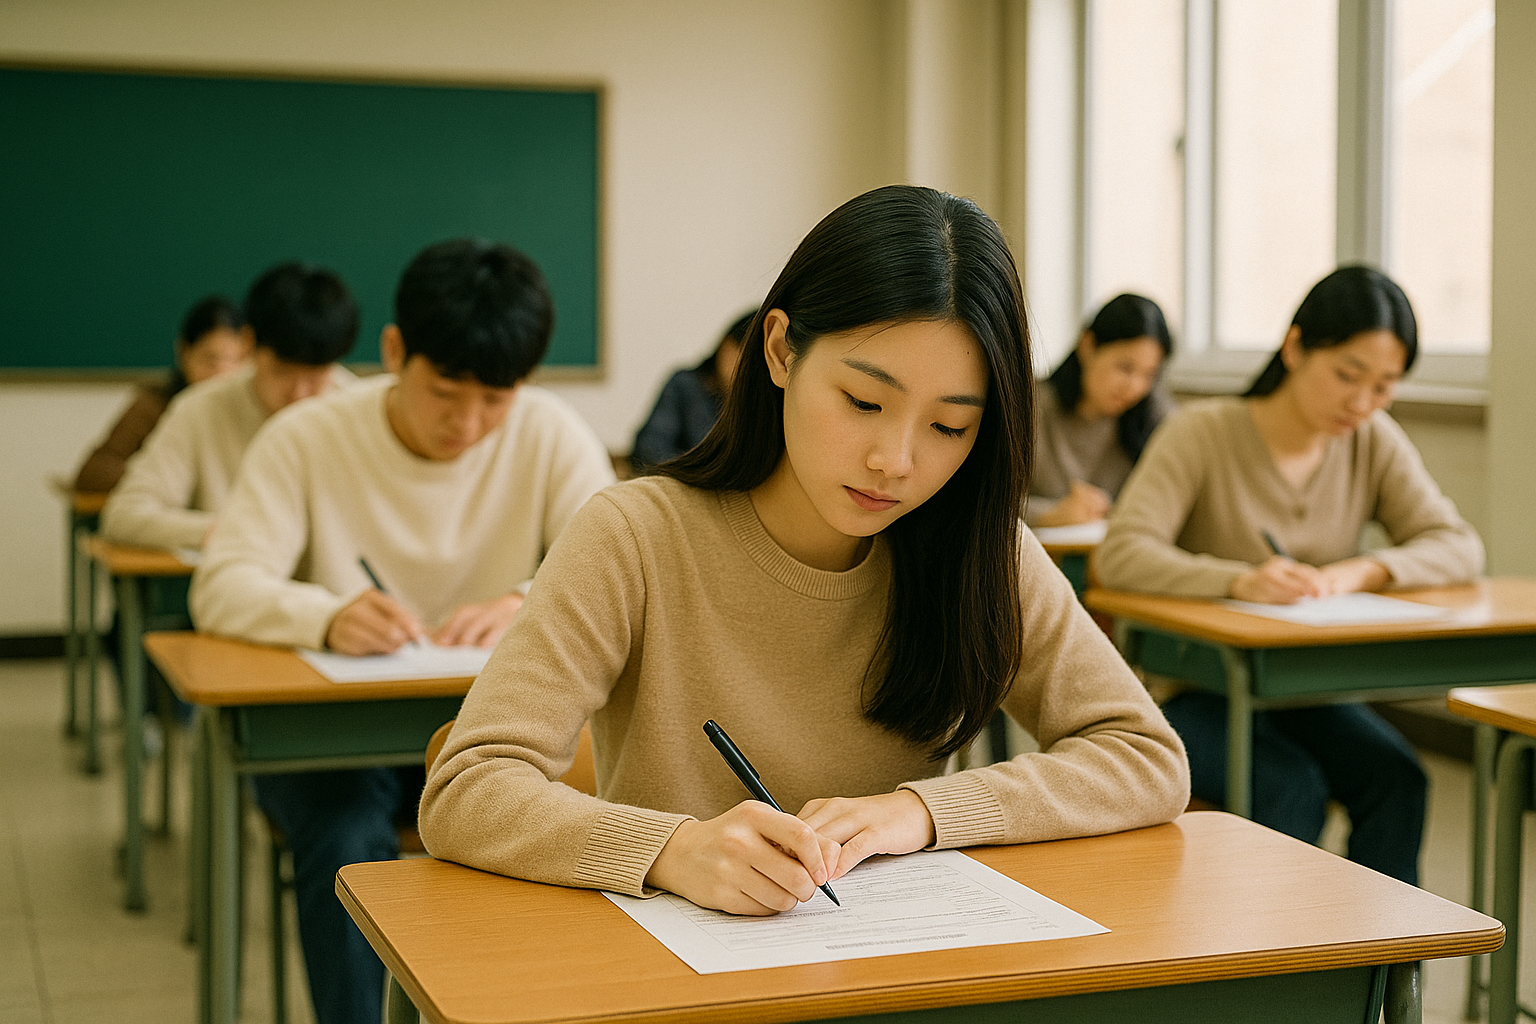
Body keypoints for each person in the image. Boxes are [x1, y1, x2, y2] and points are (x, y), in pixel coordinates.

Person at [418, 185, 1189, 918]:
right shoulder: (635, 536)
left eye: (949, 427)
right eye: (864, 402)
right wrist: (673, 850)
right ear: (781, 350)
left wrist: (920, 812)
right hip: (675, 974)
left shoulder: (980, 549)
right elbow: (468, 786)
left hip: (897, 967)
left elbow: (1146, 757)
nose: (897, 459)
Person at [190, 238, 616, 1024]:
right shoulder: (307, 437)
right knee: (345, 829)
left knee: (572, 819)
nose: (470, 422)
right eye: (446, 390)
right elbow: (221, 583)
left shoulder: (551, 434)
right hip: (332, 740)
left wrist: (529, 596)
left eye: (498, 397)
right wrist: (326, 613)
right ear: (394, 351)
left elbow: (620, 572)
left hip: (493, 734)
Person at [1095, 265, 1485, 885]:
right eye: (1347, 376)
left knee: (1396, 778)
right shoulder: (1202, 432)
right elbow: (1121, 553)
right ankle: (1279, 971)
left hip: (1303, 691)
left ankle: (1377, 971)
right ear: (1297, 346)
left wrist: (1367, 569)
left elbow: (1459, 545)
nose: (1361, 403)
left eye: (1384, 386)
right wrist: (1236, 580)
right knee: (1290, 788)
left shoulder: (1371, 440)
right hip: (1192, 693)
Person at [100, 263, 359, 550]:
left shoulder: (358, 411)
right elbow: (124, 515)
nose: (299, 394)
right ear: (248, 344)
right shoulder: (200, 409)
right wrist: (229, 532)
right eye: (282, 372)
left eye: (315, 376)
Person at [74, 295, 250, 493]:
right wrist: (165, 476)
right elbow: (94, 474)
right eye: (210, 361)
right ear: (184, 352)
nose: (221, 374)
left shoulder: (251, 410)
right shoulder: (154, 405)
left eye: (235, 362)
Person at [1028, 293, 1174, 527]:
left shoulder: (1153, 413)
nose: (1134, 387)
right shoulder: (1031, 409)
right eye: (1125, 368)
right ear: (1087, 345)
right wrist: (1050, 514)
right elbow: (984, 503)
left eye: (1149, 375)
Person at [630, 308, 754, 472]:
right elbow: (649, 448)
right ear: (726, 345)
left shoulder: (759, 400)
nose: (746, 370)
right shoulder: (685, 385)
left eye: (754, 364)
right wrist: (700, 474)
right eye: (743, 356)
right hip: (683, 485)